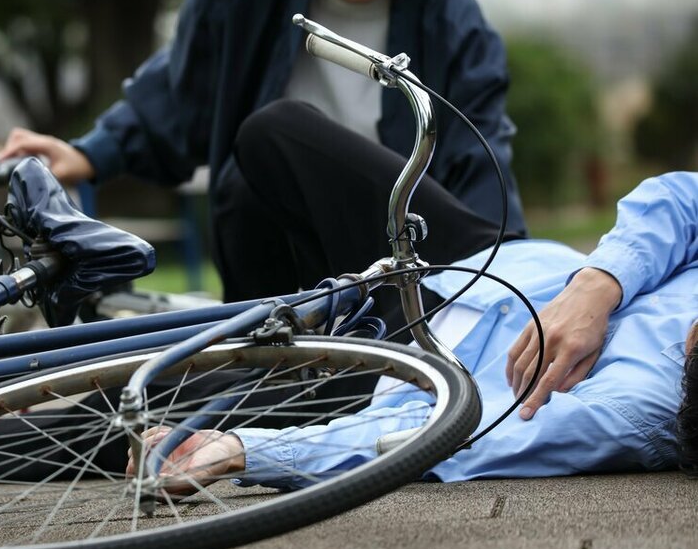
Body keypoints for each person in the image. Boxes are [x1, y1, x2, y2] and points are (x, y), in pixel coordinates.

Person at [0, 0, 527, 322]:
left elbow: (480, 145)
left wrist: (506, 279)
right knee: (250, 166)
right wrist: (92, 154)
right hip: (278, 241)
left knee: (271, 129)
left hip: (403, 239)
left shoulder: (447, 9)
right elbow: (183, 88)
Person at [127, 171, 698, 490]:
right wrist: (596, 286)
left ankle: (45, 395)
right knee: (275, 139)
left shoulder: (637, 408)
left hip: (401, 373)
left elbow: (452, 438)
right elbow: (682, 198)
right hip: (481, 268)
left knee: (140, 413)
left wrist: (244, 450)